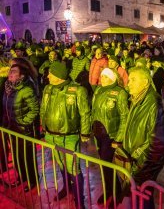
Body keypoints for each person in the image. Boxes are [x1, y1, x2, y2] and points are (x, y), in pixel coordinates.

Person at [113, 66, 164, 208]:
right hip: (134, 163)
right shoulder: (138, 99)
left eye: (133, 80)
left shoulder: (154, 104)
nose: (128, 83)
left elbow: (158, 143)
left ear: (145, 82)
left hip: (143, 166)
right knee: (138, 199)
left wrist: (140, 167)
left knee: (143, 200)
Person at [40, 61, 90, 208]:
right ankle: (66, 188)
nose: (48, 75)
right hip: (51, 135)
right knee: (61, 164)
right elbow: (43, 108)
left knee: (73, 168)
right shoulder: (48, 89)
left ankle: (79, 200)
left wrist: (85, 132)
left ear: (58, 75)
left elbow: (85, 113)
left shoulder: (77, 90)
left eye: (51, 73)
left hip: (69, 137)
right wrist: (44, 126)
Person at [91, 68, 129, 207]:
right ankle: (108, 190)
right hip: (98, 134)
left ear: (112, 78)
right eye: (101, 76)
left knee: (109, 166)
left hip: (110, 136)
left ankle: (116, 193)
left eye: (105, 76)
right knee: (104, 165)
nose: (102, 78)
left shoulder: (120, 93)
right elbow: (94, 111)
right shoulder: (98, 91)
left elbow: (125, 117)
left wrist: (118, 139)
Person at [1, 63, 40, 191]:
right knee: (17, 156)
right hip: (11, 128)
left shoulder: (26, 89)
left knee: (27, 157)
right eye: (10, 71)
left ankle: (32, 180)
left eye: (14, 72)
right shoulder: (7, 88)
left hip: (24, 130)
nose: (10, 73)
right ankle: (22, 176)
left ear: (21, 76)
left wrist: (22, 122)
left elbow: (35, 109)